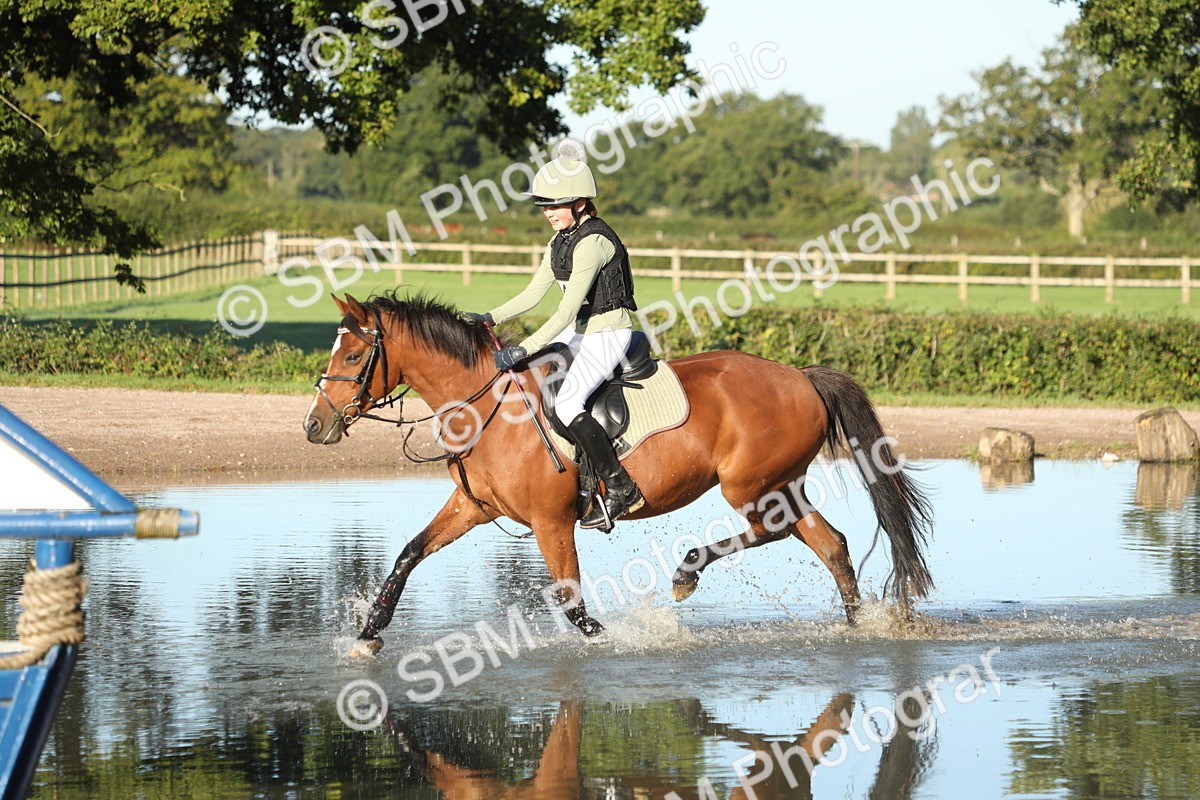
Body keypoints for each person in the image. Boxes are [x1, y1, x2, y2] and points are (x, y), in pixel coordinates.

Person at [460, 138, 642, 529]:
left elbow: (565, 311)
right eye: (543, 205)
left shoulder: (593, 241)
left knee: (567, 404)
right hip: (585, 334)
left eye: (554, 204)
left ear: (579, 203)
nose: (547, 212)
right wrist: (488, 317)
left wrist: (523, 347)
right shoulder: (559, 242)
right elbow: (532, 293)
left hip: (610, 335)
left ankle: (621, 487)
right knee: (538, 382)